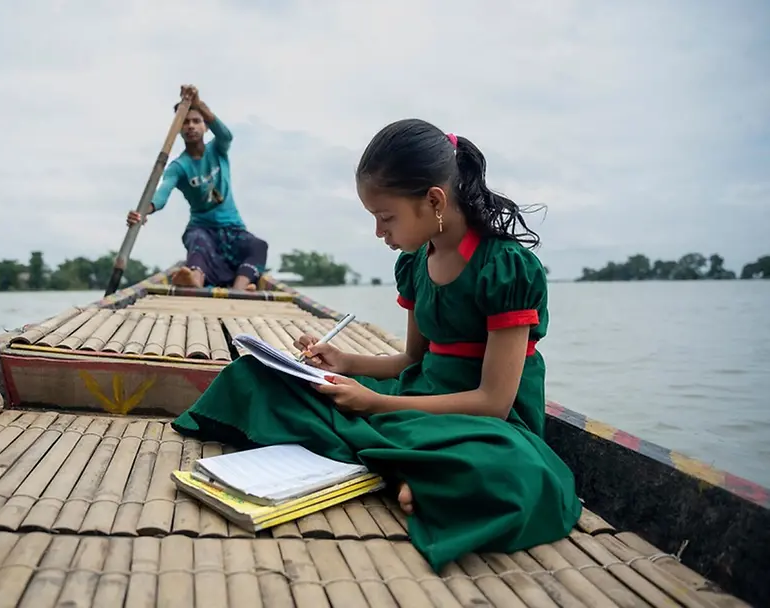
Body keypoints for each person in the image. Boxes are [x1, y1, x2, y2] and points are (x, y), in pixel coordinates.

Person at [170, 118, 582, 571]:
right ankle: (415, 469)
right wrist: (344, 362)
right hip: (418, 398)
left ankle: (406, 464)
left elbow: (494, 403)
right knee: (254, 376)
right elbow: (412, 360)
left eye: (386, 218)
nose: (379, 232)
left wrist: (375, 404)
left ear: (434, 201)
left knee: (510, 472)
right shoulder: (417, 262)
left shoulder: (505, 269)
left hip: (482, 422)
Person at [127, 85, 268, 291]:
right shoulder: (178, 167)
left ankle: (240, 289)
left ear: (205, 126)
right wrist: (143, 211)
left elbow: (226, 135)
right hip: (202, 229)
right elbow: (161, 195)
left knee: (258, 246)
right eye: (185, 122)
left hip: (233, 229)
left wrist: (198, 103)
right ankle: (194, 281)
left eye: (196, 121)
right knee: (198, 242)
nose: (191, 126)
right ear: (178, 130)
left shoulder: (217, 149)